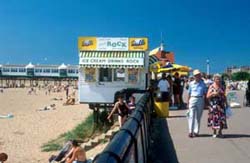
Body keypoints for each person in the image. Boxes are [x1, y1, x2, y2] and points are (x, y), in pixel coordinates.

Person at [187, 69, 207, 138]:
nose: (198, 76)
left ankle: (196, 131)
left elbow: (205, 93)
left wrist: (206, 103)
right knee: (191, 116)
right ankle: (190, 131)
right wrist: (187, 102)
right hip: (192, 99)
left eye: (199, 75)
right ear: (194, 76)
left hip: (200, 99)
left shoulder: (203, 84)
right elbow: (189, 93)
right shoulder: (191, 83)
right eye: (196, 75)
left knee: (198, 117)